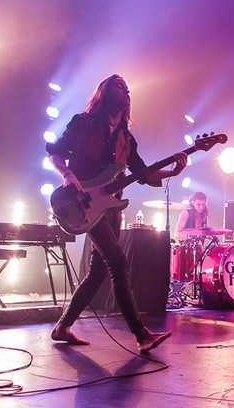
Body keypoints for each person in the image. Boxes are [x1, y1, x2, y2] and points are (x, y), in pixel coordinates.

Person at [46, 74, 187, 351]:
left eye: (128, 88)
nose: (127, 91)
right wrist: (66, 173)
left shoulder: (126, 136)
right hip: (81, 200)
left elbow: (142, 172)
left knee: (97, 272)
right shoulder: (82, 123)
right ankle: (142, 335)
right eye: (121, 87)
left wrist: (173, 170)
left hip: (111, 208)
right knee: (118, 262)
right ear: (106, 93)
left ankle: (62, 327)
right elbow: (55, 151)